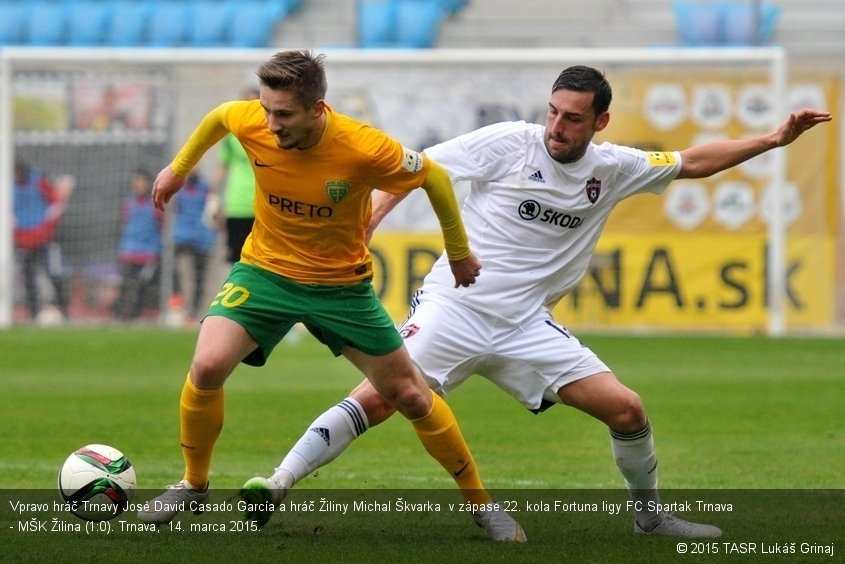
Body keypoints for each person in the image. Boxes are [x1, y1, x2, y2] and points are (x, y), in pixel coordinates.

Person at [247, 65, 833, 538]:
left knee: (627, 410)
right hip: (457, 306)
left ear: (600, 121)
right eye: (553, 112)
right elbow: (416, 169)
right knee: (380, 398)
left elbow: (692, 162)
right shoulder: (508, 144)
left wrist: (774, 139)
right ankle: (276, 484)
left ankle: (649, 518)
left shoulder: (615, 168)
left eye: (573, 118)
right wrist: (369, 220)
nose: (557, 126)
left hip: (526, 326)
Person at [136, 50, 525, 543]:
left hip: (342, 289)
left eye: (284, 114)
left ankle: (482, 505)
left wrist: (460, 250)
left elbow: (436, 178)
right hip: (265, 274)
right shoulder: (252, 119)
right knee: (208, 365)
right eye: (266, 110)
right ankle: (193, 484)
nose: (271, 124)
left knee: (409, 394)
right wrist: (178, 168)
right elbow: (218, 117)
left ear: (317, 109)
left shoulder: (363, 147)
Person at [13, 161, 74, 323]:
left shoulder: (39, 181)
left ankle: (64, 311)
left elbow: (56, 205)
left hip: (44, 240)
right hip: (23, 242)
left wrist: (45, 229)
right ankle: (33, 315)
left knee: (54, 274)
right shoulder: (9, 186)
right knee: (28, 279)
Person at [213, 86, 260, 264]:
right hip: (236, 206)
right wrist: (214, 199)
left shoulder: (272, 135)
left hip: (263, 208)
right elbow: (221, 168)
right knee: (237, 260)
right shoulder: (232, 136)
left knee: (262, 262)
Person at [113, 169, 163, 322]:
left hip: (148, 254)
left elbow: (162, 226)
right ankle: (119, 316)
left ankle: (136, 315)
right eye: (136, 181)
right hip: (128, 252)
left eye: (142, 181)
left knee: (142, 285)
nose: (138, 185)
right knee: (125, 284)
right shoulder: (128, 204)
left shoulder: (155, 205)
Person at [170, 172, 217, 323]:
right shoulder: (179, 188)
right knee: (173, 265)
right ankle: (177, 301)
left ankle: (193, 312)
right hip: (182, 235)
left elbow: (214, 213)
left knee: (199, 276)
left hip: (201, 239)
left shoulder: (206, 189)